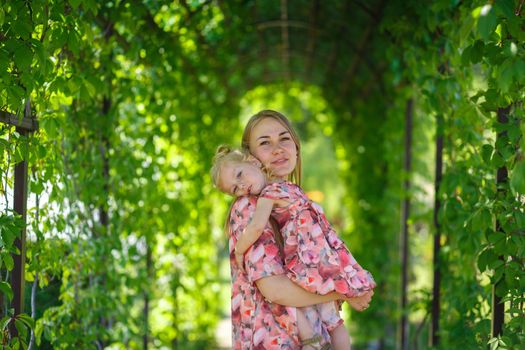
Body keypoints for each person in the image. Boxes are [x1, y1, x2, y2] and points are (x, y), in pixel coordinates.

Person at [217, 110, 374, 349]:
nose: (278, 148)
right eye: (265, 143)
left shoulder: (290, 194)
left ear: (296, 146)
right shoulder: (248, 207)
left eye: (284, 138)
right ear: (252, 157)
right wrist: (344, 291)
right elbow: (275, 289)